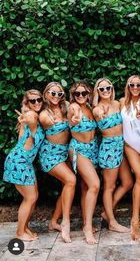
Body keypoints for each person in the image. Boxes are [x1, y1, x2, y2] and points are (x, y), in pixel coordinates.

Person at [3, 89, 45, 241]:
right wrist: (26, 115)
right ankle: (20, 233)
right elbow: (30, 118)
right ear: (27, 103)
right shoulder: (31, 116)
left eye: (39, 99)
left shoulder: (35, 117)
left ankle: (25, 227)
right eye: (32, 101)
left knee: (34, 196)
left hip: (24, 162)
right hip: (18, 162)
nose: (37, 103)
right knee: (30, 197)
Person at [39, 82, 76, 243]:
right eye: (52, 93)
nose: (56, 97)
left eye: (59, 94)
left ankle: (53, 222)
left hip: (64, 153)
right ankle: (65, 222)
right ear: (46, 94)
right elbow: (44, 121)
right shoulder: (43, 112)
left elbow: (75, 111)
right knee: (71, 180)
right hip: (50, 154)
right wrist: (51, 121)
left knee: (66, 186)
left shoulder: (65, 106)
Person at [93, 78, 131, 233]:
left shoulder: (118, 103)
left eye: (108, 88)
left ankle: (106, 213)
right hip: (109, 148)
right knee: (109, 186)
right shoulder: (97, 108)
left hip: (121, 145)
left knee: (128, 182)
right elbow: (98, 113)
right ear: (97, 91)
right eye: (102, 89)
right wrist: (102, 114)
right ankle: (112, 221)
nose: (105, 91)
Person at [120, 75, 140, 240]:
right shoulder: (121, 102)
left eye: (138, 84)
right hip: (130, 146)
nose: (135, 87)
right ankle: (134, 219)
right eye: (131, 84)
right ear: (128, 86)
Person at [68, 81, 100, 245]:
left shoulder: (90, 107)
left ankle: (86, 222)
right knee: (95, 184)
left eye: (83, 93)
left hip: (92, 149)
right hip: (79, 150)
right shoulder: (74, 107)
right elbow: (74, 117)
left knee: (86, 187)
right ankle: (87, 228)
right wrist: (75, 119)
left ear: (88, 94)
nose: (80, 96)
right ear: (73, 96)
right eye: (77, 94)